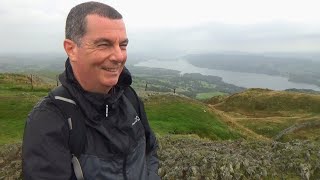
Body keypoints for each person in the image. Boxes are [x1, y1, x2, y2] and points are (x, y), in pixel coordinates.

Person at [22, 1, 160, 179]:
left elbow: (149, 150)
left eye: (123, 45)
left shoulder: (129, 97)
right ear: (71, 49)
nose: (119, 56)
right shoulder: (49, 120)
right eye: (104, 44)